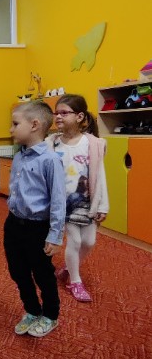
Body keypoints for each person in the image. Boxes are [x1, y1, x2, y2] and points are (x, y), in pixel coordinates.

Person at [4, 101, 66, 337]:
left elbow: (58, 200)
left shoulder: (50, 160)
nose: (11, 129)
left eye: (15, 124)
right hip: (13, 225)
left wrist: (55, 235)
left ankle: (50, 315)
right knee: (17, 271)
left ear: (34, 125)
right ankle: (32, 310)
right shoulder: (19, 156)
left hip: (38, 229)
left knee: (42, 274)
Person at [46, 94, 109, 302]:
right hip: (64, 203)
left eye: (64, 113)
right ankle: (75, 281)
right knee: (75, 240)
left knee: (89, 242)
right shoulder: (52, 143)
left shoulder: (92, 144)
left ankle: (68, 267)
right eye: (56, 113)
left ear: (80, 116)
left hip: (87, 202)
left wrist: (103, 205)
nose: (58, 117)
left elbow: (100, 176)